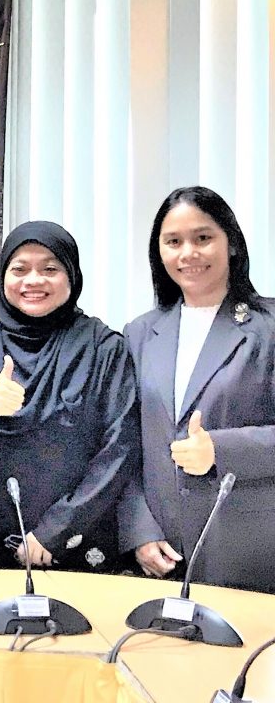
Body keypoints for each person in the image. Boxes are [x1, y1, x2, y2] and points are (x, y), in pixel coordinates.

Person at [0, 221, 139, 571]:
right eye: (19, 269)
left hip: (79, 542)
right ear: (2, 278)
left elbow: (119, 449)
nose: (33, 281)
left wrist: (56, 530)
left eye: (50, 269)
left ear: (71, 276)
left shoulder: (104, 348)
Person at [119, 186, 275, 592]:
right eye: (173, 242)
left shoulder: (269, 327)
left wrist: (221, 449)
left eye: (203, 238)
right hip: (162, 555)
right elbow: (124, 442)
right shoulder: (140, 333)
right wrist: (139, 528)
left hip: (248, 548)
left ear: (232, 243)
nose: (188, 253)